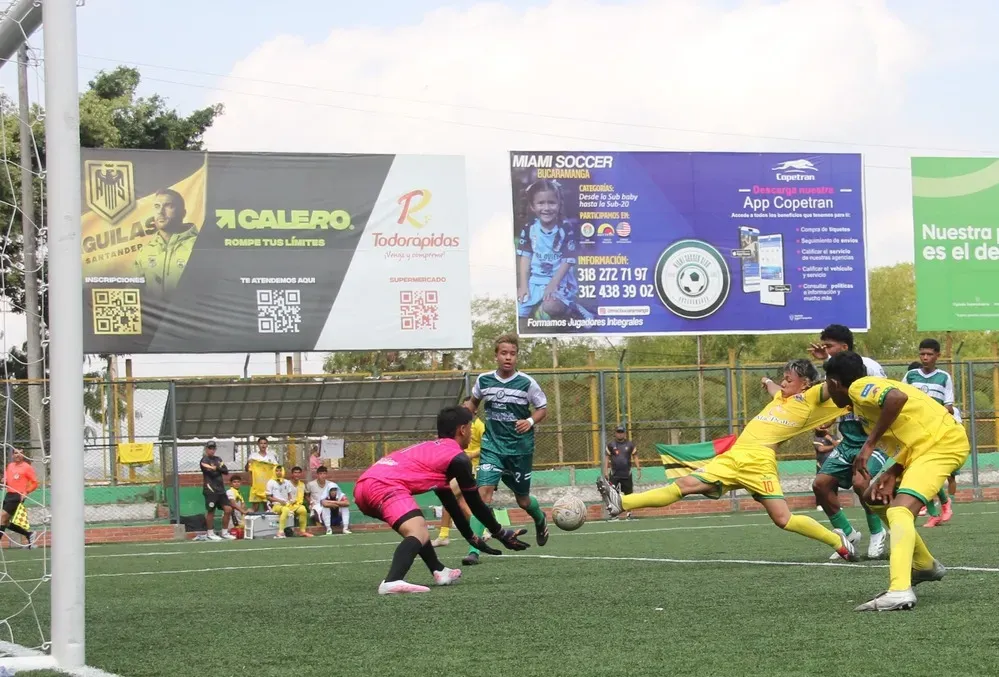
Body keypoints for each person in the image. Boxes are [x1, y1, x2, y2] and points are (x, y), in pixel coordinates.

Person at [597, 359, 857, 561]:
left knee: (783, 519)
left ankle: (838, 541)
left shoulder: (811, 396)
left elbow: (835, 385)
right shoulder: (782, 396)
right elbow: (774, 388)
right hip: (735, 456)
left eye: (789, 379)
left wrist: (840, 362)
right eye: (783, 378)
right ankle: (622, 502)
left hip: (759, 462)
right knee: (685, 485)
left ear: (806, 383)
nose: (784, 382)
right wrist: (767, 380)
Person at [824, 351, 967, 611]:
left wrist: (868, 445)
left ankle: (900, 590)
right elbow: (911, 431)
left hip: (942, 444)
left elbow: (896, 398)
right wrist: (893, 471)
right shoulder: (861, 405)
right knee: (874, 497)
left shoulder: (859, 387)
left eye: (826, 385)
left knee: (900, 510)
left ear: (834, 383)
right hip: (924, 448)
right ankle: (924, 565)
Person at [354, 406, 530, 594]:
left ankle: (438, 570)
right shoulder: (458, 459)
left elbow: (450, 504)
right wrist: (500, 533)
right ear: (463, 429)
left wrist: (470, 537)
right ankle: (392, 581)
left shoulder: (434, 452)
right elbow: (475, 503)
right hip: (383, 486)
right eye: (470, 428)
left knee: (419, 529)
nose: (471, 433)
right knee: (417, 529)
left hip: (364, 486)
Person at [462, 334, 550, 567]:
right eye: (504, 353)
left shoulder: (527, 383)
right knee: (482, 495)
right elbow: (473, 403)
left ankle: (540, 518)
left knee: (523, 501)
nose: (508, 357)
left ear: (517, 356)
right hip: (492, 446)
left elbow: (542, 408)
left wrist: (529, 421)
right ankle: (474, 549)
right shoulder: (484, 380)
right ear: (496, 355)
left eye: (512, 353)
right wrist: (463, 415)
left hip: (520, 449)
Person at [808, 324, 889, 559]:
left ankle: (878, 531)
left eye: (829, 346)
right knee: (820, 485)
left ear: (844, 347)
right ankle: (848, 534)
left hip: (874, 439)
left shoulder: (869, 366)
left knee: (860, 482)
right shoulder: (833, 368)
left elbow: (883, 400)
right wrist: (827, 421)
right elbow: (838, 401)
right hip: (848, 440)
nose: (825, 349)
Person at [515, 179, 589, 322]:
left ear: (559, 204)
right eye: (541, 203)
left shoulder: (565, 228)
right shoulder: (529, 228)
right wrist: (523, 285)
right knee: (519, 311)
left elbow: (568, 260)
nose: (547, 208)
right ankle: (540, 308)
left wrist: (553, 284)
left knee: (551, 306)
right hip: (536, 281)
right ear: (532, 206)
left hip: (559, 281)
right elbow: (525, 257)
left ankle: (574, 310)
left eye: (551, 202)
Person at [903, 339, 957, 527]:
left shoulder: (944, 377)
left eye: (929, 354)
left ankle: (936, 510)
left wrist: (931, 412)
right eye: (922, 354)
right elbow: (901, 398)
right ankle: (941, 505)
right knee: (914, 473)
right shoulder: (910, 376)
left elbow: (949, 406)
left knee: (923, 473)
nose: (925, 357)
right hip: (912, 432)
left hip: (933, 433)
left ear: (937, 356)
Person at [432, 397, 485, 547]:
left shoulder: (479, 426)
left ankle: (444, 535)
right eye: (463, 406)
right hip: (458, 465)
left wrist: (470, 455)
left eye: (468, 407)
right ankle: (483, 530)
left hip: (471, 467)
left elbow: (487, 446)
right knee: (460, 502)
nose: (464, 409)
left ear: (475, 410)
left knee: (449, 495)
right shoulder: (460, 425)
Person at [133, 188, 199, 295]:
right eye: (157, 206)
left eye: (169, 206)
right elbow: (133, 291)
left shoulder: (199, 246)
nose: (160, 212)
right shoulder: (145, 251)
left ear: (183, 213)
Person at [1, 448, 38, 548]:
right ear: (13, 455)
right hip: (8, 495)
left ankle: (29, 534)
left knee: (2, 516)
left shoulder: (27, 467)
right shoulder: (10, 466)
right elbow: (7, 480)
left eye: (20, 453)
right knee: (5, 522)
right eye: (16, 453)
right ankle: (29, 534)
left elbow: (35, 483)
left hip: (18, 495)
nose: (18, 455)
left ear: (23, 455)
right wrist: (4, 480)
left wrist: (26, 492)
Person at [200, 441, 235, 541]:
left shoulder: (218, 459)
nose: (212, 450)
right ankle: (210, 533)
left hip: (221, 489)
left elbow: (225, 470)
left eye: (213, 448)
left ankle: (224, 532)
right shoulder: (204, 460)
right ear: (206, 449)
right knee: (211, 511)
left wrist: (217, 468)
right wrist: (216, 468)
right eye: (210, 448)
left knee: (228, 509)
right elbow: (210, 471)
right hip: (210, 489)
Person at [266, 466, 311, 538]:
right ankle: (280, 532)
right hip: (275, 505)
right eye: (277, 471)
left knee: (302, 509)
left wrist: (291, 500)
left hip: (286, 504)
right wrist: (280, 501)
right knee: (286, 510)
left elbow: (289, 495)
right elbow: (268, 497)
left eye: (280, 470)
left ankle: (302, 531)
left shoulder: (286, 482)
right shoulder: (270, 482)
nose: (279, 472)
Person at [606, 426, 640, 520]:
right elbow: (607, 458)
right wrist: (605, 471)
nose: (620, 434)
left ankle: (629, 514)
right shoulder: (611, 445)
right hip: (614, 474)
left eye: (622, 432)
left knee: (629, 495)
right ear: (615, 433)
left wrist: (638, 468)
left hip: (626, 474)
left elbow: (635, 456)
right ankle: (614, 514)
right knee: (613, 494)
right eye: (618, 432)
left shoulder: (630, 444)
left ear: (625, 433)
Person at [306, 465, 352, 535]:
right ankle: (328, 528)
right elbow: (307, 496)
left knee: (344, 507)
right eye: (321, 474)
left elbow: (347, 503)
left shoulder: (330, 484)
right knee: (324, 507)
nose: (323, 475)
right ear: (317, 474)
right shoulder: (311, 484)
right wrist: (310, 502)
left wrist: (333, 503)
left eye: (324, 473)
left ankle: (345, 528)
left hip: (331, 504)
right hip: (317, 505)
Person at [246, 436, 279, 512]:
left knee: (267, 507)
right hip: (257, 485)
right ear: (258, 445)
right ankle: (248, 518)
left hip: (268, 486)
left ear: (267, 445)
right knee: (255, 507)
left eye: (264, 443)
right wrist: (251, 481)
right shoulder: (253, 456)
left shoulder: (272, 456)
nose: (263, 445)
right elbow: (250, 470)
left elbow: (276, 470)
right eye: (261, 443)